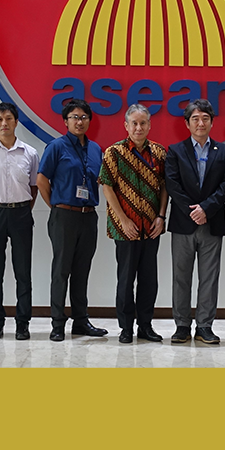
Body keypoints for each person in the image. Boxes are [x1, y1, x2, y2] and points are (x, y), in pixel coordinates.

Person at [165, 98, 225, 345]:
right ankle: (182, 325)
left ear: (212, 122)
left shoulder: (223, 151)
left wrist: (206, 208)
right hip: (183, 223)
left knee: (209, 277)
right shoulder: (175, 150)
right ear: (187, 123)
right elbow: (172, 184)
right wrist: (192, 211)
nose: (200, 123)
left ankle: (205, 325)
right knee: (181, 276)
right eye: (195, 118)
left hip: (211, 222)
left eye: (205, 118)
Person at [37, 98, 107, 342]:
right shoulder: (56, 146)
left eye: (84, 117)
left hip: (88, 216)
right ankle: (57, 323)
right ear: (65, 121)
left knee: (82, 270)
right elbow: (42, 180)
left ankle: (81, 321)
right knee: (61, 270)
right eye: (74, 117)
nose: (79, 121)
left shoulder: (96, 149)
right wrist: (57, 206)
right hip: (64, 216)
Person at [99, 104, 168, 344]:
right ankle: (126, 327)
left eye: (143, 123)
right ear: (126, 126)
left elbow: (165, 187)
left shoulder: (159, 153)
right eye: (134, 123)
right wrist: (123, 219)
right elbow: (107, 186)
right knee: (126, 279)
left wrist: (161, 216)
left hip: (151, 227)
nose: (139, 128)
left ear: (149, 125)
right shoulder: (114, 152)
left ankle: (145, 326)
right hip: (125, 228)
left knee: (149, 280)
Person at [0, 102, 38, 341]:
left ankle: (23, 323)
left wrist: (22, 208)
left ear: (16, 122)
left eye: (9, 118)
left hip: (21, 213)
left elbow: (33, 187)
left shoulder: (30, 153)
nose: (4, 123)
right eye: (0, 119)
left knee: (23, 272)